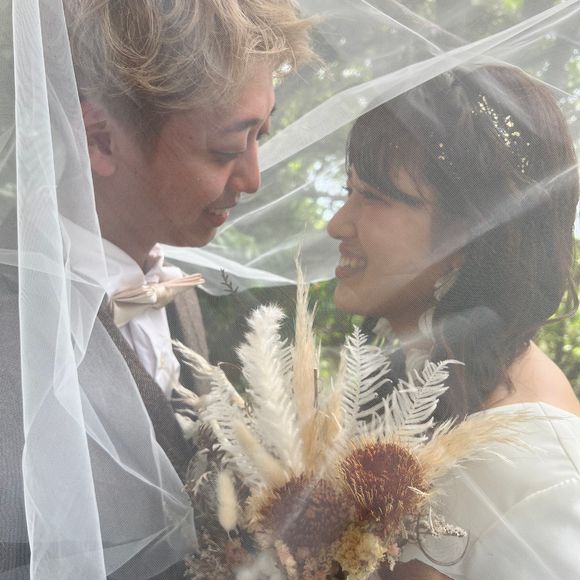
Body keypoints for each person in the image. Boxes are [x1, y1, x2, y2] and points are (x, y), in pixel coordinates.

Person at [0, 1, 310, 578]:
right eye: (226, 150)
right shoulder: (11, 326)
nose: (253, 178)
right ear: (100, 139)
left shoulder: (180, 289)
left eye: (261, 134)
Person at [327, 64, 580, 579]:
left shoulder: (534, 471)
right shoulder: (412, 379)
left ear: (472, 236)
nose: (336, 225)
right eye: (349, 190)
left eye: (373, 197)